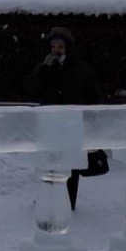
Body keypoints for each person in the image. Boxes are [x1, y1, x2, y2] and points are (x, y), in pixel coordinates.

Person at [24, 26, 107, 209]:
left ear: (68, 47)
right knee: (49, 163)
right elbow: (30, 89)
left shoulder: (81, 70)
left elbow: (94, 97)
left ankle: (68, 203)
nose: (56, 50)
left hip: (74, 125)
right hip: (50, 125)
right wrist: (44, 69)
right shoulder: (45, 69)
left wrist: (91, 122)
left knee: (72, 165)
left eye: (60, 46)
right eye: (53, 46)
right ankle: (47, 198)